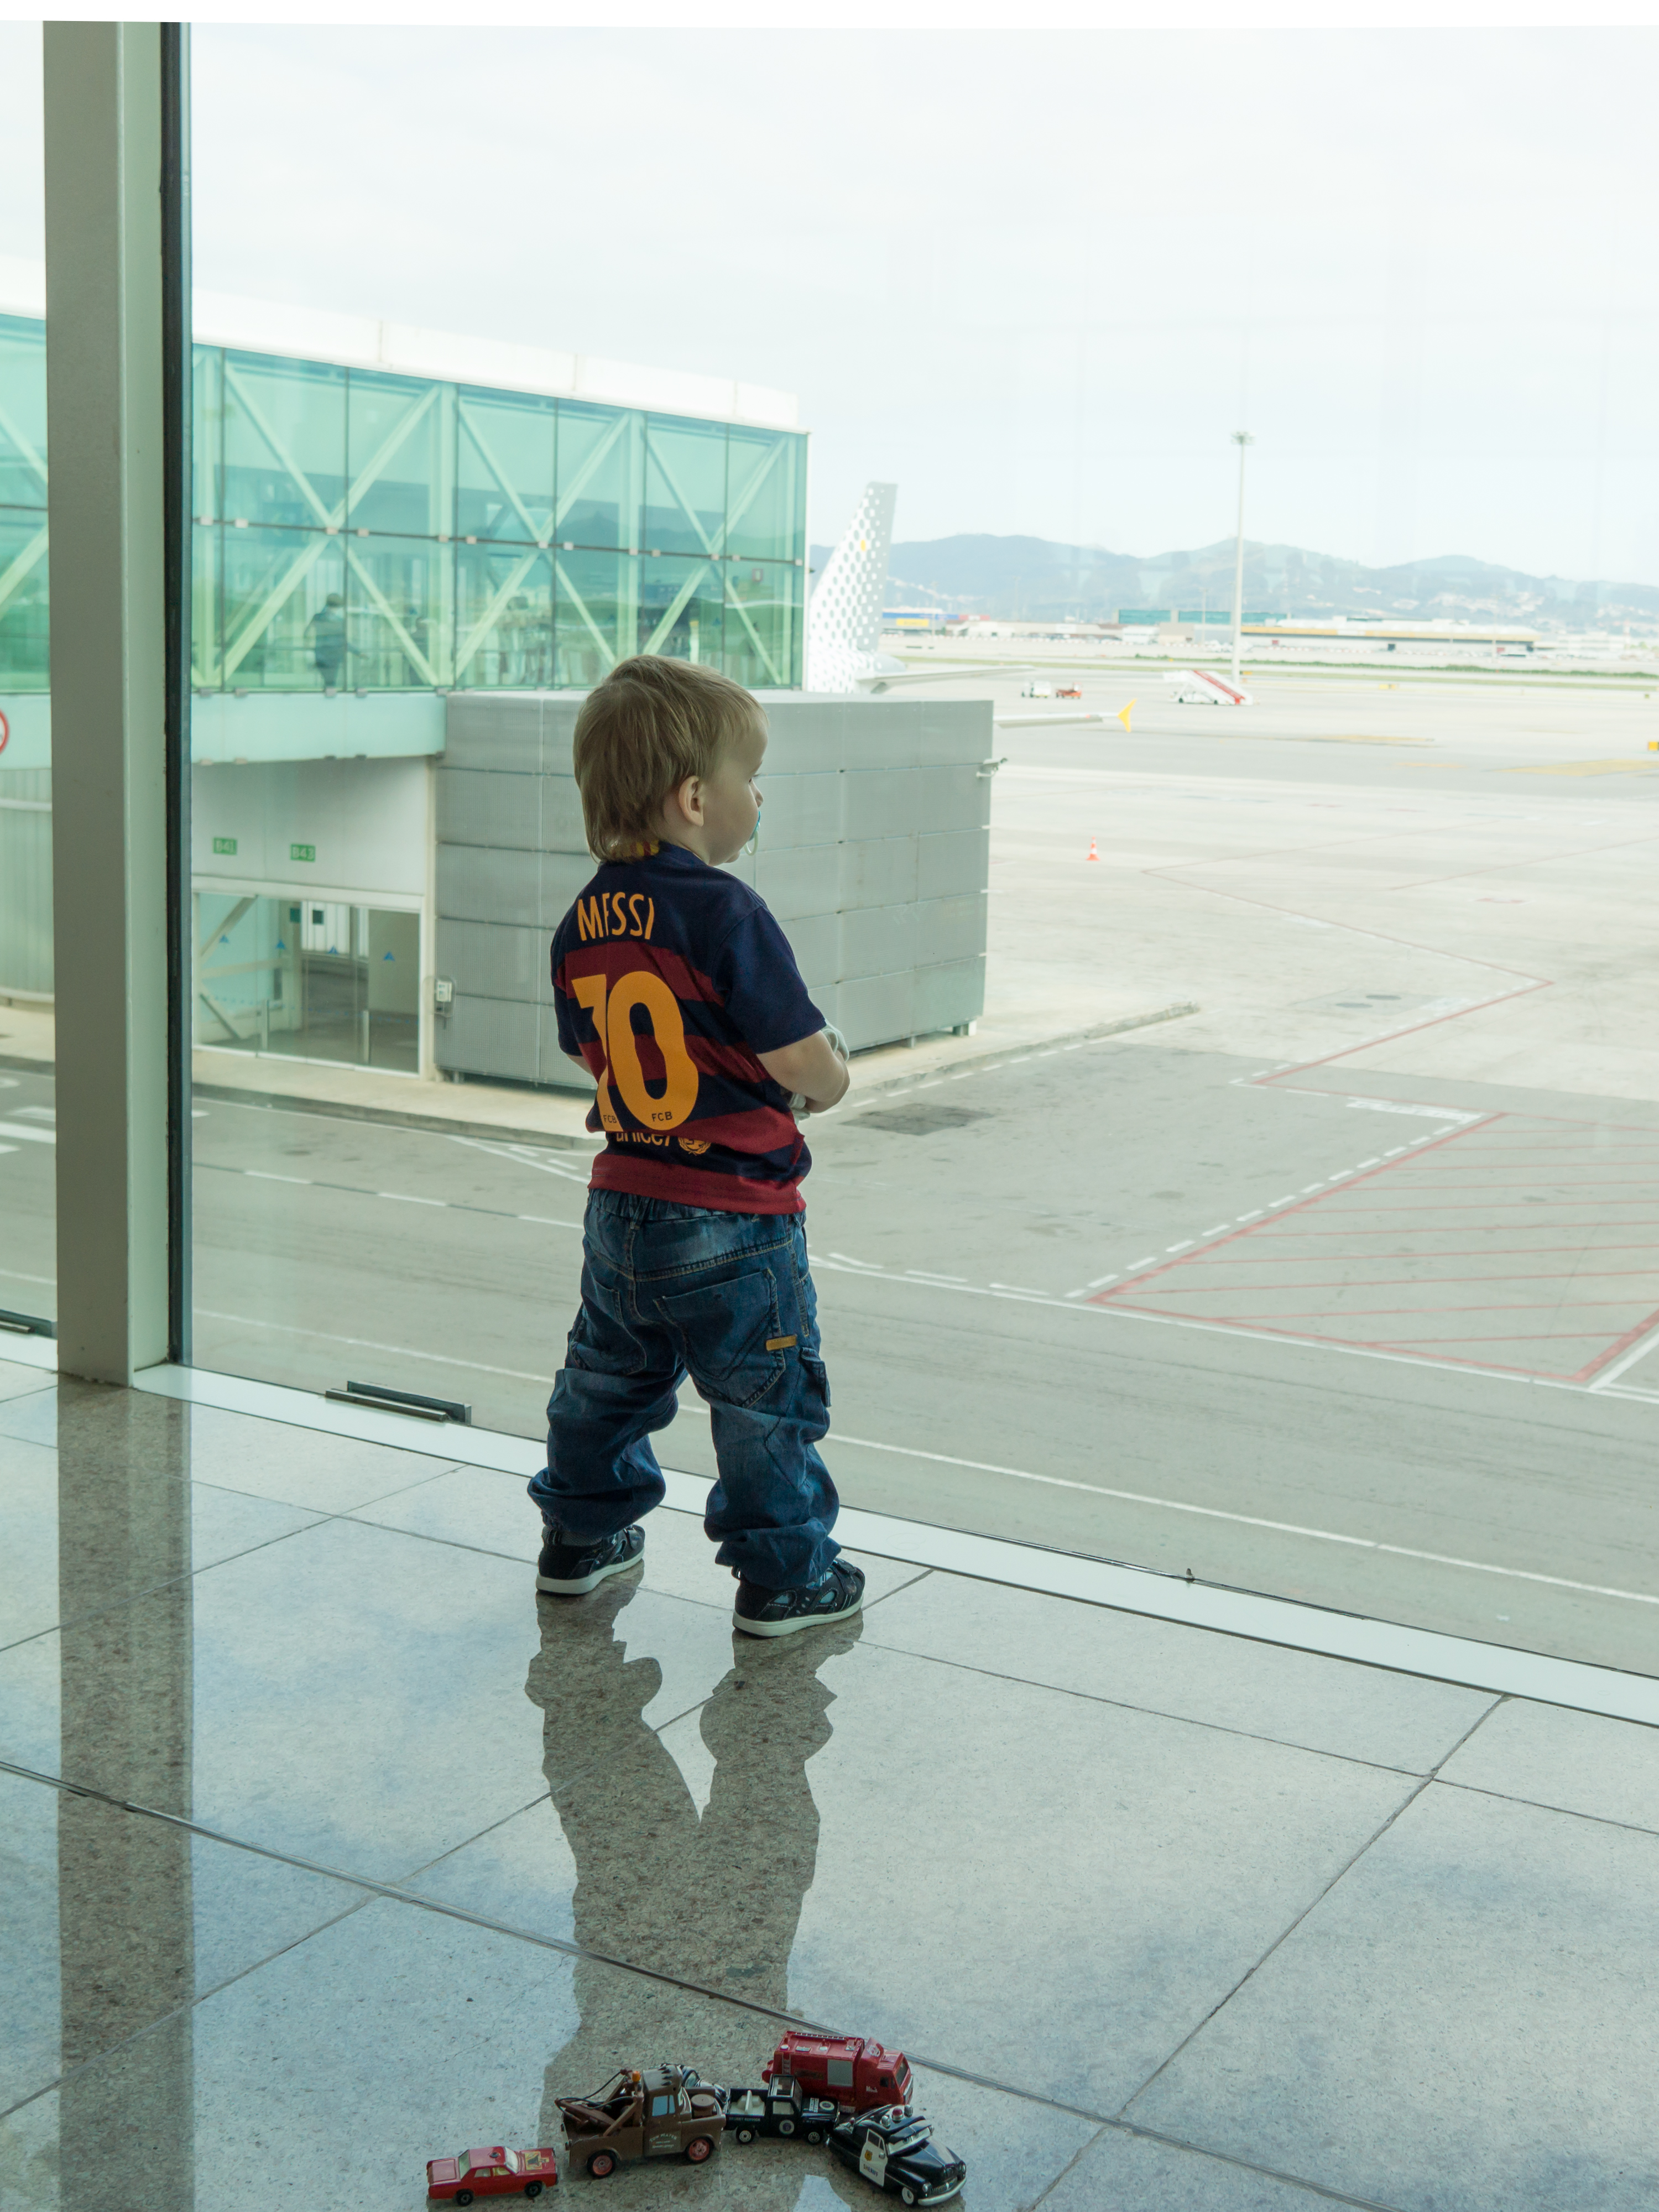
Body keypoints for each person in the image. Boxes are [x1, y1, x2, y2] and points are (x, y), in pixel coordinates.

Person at [528, 654, 860, 1638]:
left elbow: (591, 1050)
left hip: (623, 1210)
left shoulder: (583, 919)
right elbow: (797, 1055)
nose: (758, 797)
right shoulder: (726, 911)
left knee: (605, 1381)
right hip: (735, 1218)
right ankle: (785, 1577)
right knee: (763, 1402)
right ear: (693, 799)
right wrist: (832, 1078)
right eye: (751, 778)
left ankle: (579, 1540)